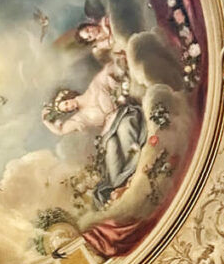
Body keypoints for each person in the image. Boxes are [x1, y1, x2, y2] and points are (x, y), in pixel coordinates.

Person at [42, 59, 147, 209]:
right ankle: (120, 186)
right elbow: (61, 130)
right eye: (65, 110)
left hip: (123, 116)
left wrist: (120, 66)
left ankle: (136, 171)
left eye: (65, 104)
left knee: (125, 133)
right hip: (108, 134)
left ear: (67, 96)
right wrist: (46, 122)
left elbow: (109, 69)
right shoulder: (79, 118)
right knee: (111, 157)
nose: (68, 108)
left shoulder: (94, 87)